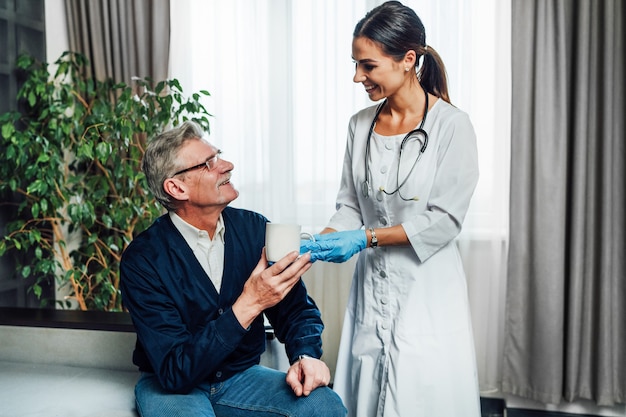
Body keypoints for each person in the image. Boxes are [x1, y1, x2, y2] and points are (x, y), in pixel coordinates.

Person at [300, 2, 481, 416]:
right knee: (368, 389)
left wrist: (365, 238)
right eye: (355, 64)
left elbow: (444, 221)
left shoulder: (451, 126)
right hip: (372, 289)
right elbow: (349, 207)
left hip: (426, 288)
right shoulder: (360, 124)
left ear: (408, 60)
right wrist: (311, 246)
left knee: (421, 396)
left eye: (368, 66)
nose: (357, 77)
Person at [120, 121, 346, 417]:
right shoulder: (143, 259)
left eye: (219, 155)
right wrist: (249, 303)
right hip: (175, 387)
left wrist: (306, 355)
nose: (227, 165)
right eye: (208, 163)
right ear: (177, 187)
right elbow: (176, 372)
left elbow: (295, 309)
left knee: (324, 405)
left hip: (240, 377)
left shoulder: (254, 229)